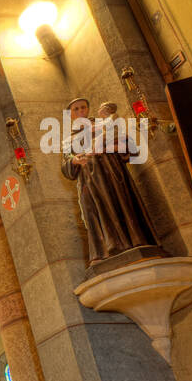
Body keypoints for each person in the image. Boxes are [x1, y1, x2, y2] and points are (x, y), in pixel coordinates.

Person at [61, 98, 159, 268]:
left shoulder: (104, 125)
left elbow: (128, 146)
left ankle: (134, 241)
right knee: (95, 213)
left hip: (112, 174)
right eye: (76, 109)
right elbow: (66, 165)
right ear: (71, 115)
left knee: (121, 204)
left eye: (83, 107)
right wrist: (75, 161)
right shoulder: (69, 140)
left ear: (88, 109)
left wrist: (106, 148)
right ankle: (103, 252)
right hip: (89, 180)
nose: (80, 111)